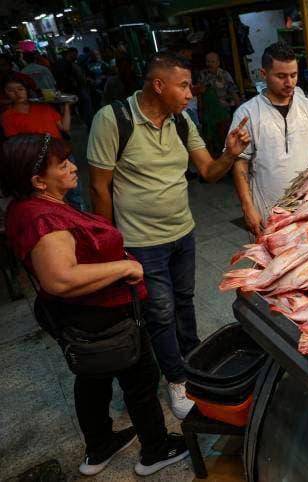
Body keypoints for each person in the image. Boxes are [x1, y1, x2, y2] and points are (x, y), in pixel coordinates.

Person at [1, 134, 189, 477]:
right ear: (38, 181)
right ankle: (156, 450)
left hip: (76, 319)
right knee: (141, 380)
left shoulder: (30, 206)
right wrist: (126, 266)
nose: (74, 168)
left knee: (92, 378)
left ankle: (100, 446)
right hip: (101, 317)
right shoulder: (41, 219)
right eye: (63, 165)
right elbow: (60, 278)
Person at [87, 52, 251, 419]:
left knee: (184, 301)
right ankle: (177, 380)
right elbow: (99, 188)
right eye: (183, 85)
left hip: (183, 232)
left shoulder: (180, 121)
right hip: (141, 241)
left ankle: (193, 365)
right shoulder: (113, 119)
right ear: (158, 85)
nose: (190, 93)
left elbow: (208, 171)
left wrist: (229, 154)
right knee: (160, 313)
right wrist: (110, 248)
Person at [228, 42, 308, 236]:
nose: (289, 83)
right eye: (281, 76)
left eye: (293, 75)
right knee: (272, 263)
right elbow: (240, 164)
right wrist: (247, 207)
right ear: (263, 74)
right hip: (267, 208)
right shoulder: (247, 113)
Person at [2, 78, 71, 138]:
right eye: (11, 91)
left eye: (20, 89)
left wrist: (66, 105)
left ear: (26, 90)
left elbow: (64, 128)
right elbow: (14, 142)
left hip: (58, 149)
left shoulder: (44, 107)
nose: (17, 93)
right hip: (35, 152)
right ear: (6, 93)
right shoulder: (7, 117)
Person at [198, 52, 239, 152]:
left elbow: (233, 91)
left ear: (218, 62)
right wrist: (200, 109)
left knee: (225, 139)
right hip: (209, 113)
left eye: (212, 61)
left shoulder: (225, 74)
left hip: (224, 111)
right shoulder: (203, 74)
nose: (209, 64)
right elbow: (199, 93)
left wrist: (239, 107)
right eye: (208, 61)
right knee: (210, 141)